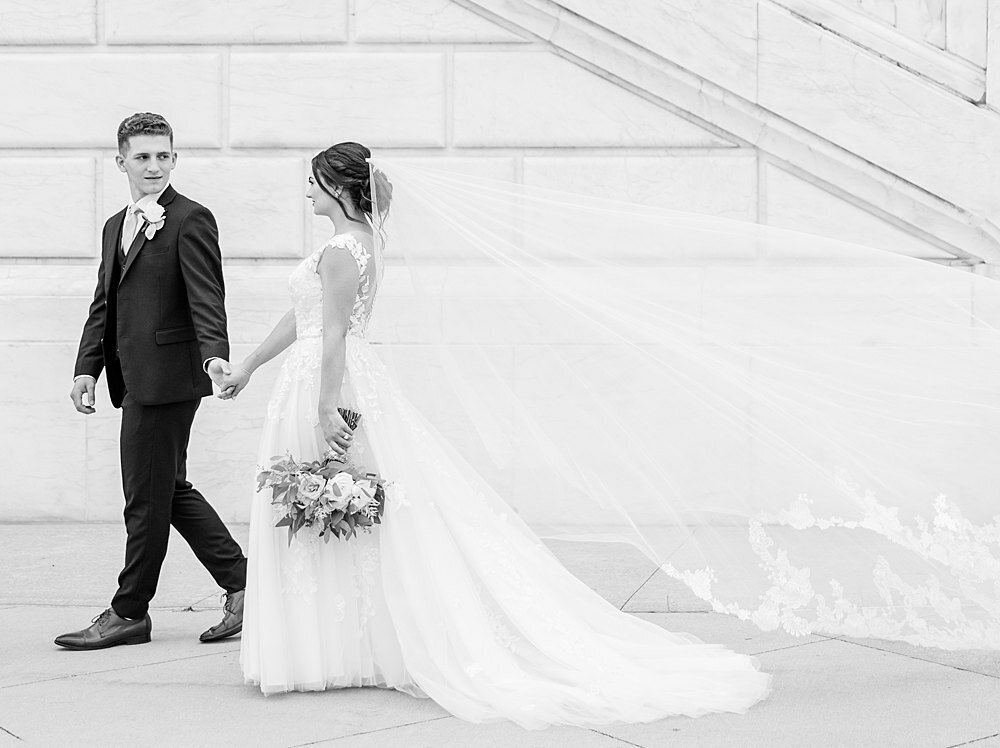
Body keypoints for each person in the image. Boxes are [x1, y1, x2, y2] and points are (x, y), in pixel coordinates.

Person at [220, 142, 769, 725]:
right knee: (346, 513)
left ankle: (336, 648)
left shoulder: (338, 250)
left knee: (339, 508)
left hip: (327, 383)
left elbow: (331, 334)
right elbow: (306, 318)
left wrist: (327, 406)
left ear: (335, 185)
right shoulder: (353, 246)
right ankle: (353, 647)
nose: (305, 190)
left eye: (312, 181)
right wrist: (250, 366)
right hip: (328, 376)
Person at [55, 112, 248, 652]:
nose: (154, 165)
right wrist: (85, 368)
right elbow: (105, 303)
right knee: (166, 489)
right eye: (142, 156)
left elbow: (208, 297)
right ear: (121, 162)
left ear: (175, 159)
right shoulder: (115, 225)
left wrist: (215, 358)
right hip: (132, 377)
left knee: (143, 498)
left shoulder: (191, 218)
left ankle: (129, 611)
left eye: (163, 155)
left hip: (171, 379)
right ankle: (243, 581)